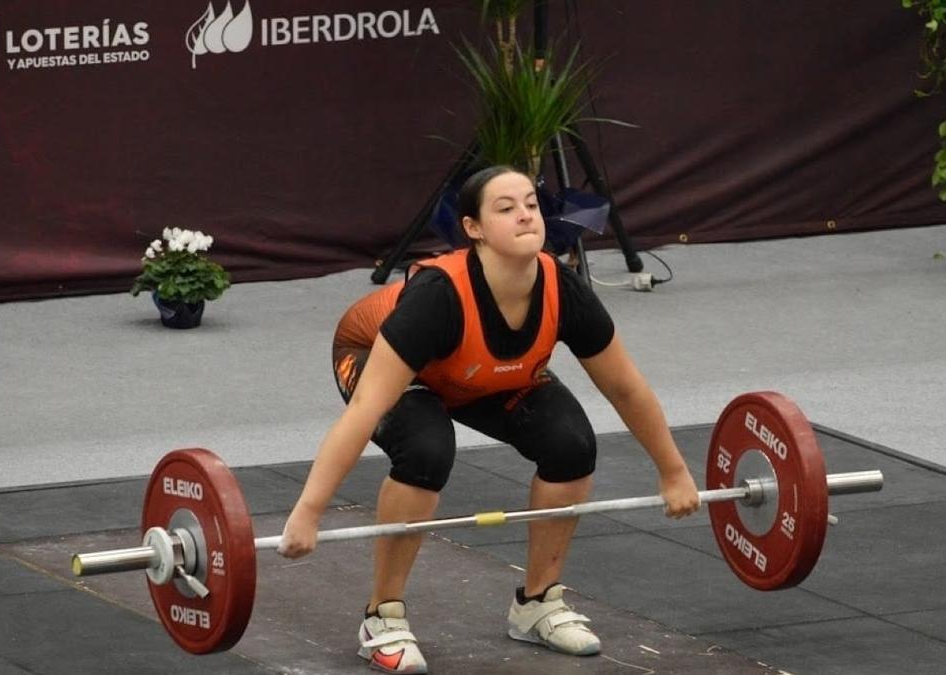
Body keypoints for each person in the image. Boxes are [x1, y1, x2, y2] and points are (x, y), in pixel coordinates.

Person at [280, 165, 700, 674]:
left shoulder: (561, 287)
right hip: (376, 355)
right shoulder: (438, 296)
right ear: (473, 228)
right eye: (506, 208)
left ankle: (537, 604)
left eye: (531, 204)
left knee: (570, 444)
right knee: (426, 450)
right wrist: (308, 511)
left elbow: (625, 387)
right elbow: (365, 410)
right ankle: (382, 618)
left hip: (477, 371)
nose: (525, 214)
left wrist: (673, 470)